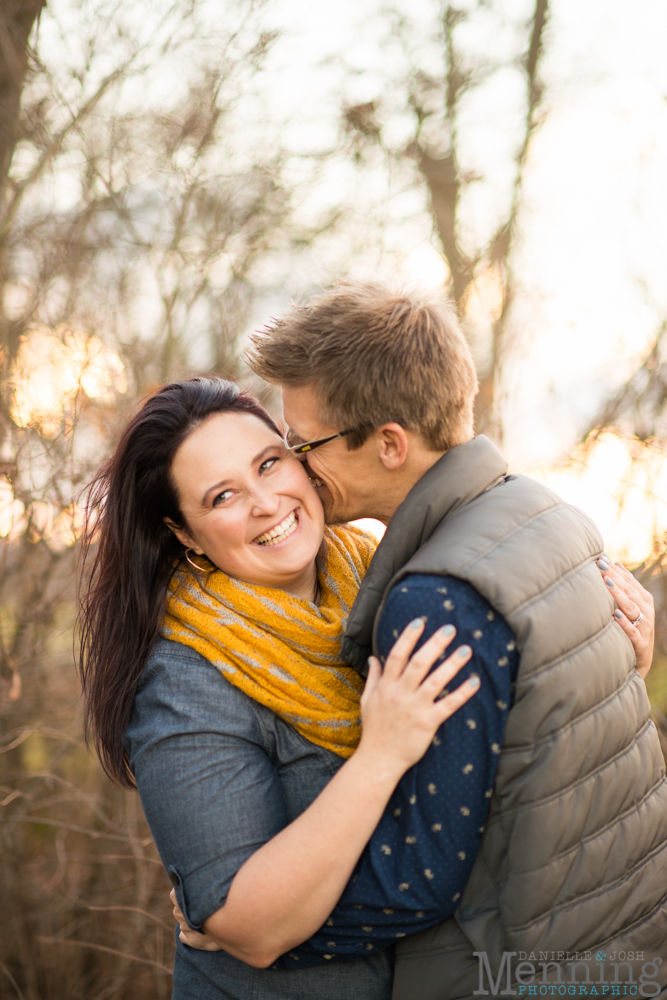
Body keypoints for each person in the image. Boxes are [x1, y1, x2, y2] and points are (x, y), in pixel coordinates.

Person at [238, 281, 667, 998]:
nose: (292, 466)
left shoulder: (437, 599)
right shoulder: (549, 515)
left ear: (388, 444)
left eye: (302, 443)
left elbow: (417, 878)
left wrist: (251, 931)